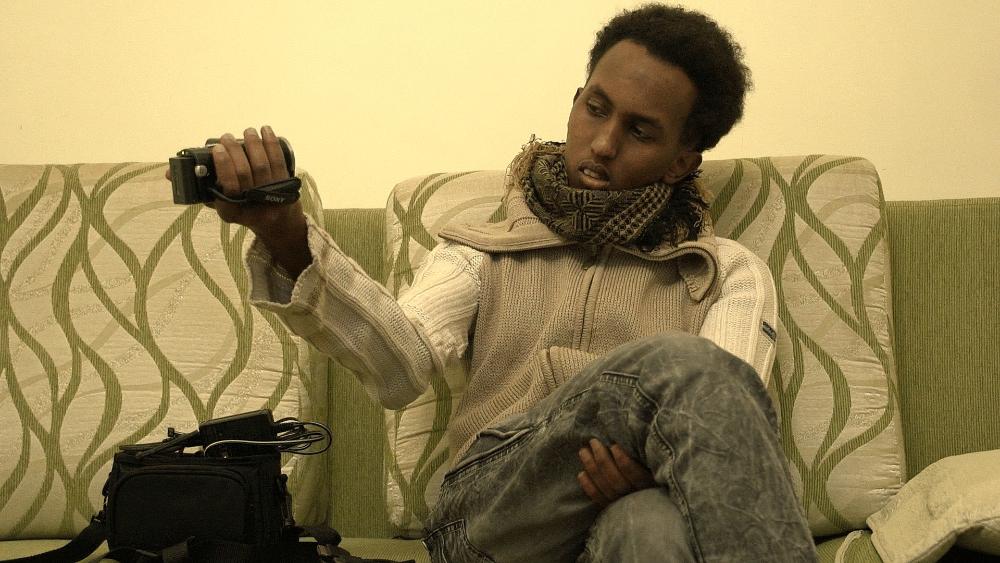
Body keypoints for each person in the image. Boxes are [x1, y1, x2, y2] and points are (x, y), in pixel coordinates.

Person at [178, 4, 817, 561]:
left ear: (681, 161)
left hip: (630, 515)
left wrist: (647, 476)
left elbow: (727, 436)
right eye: (595, 109)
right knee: (685, 365)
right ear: (576, 100)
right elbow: (397, 367)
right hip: (487, 520)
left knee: (652, 527)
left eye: (639, 131)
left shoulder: (724, 272)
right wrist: (287, 233)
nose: (602, 143)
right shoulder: (482, 250)